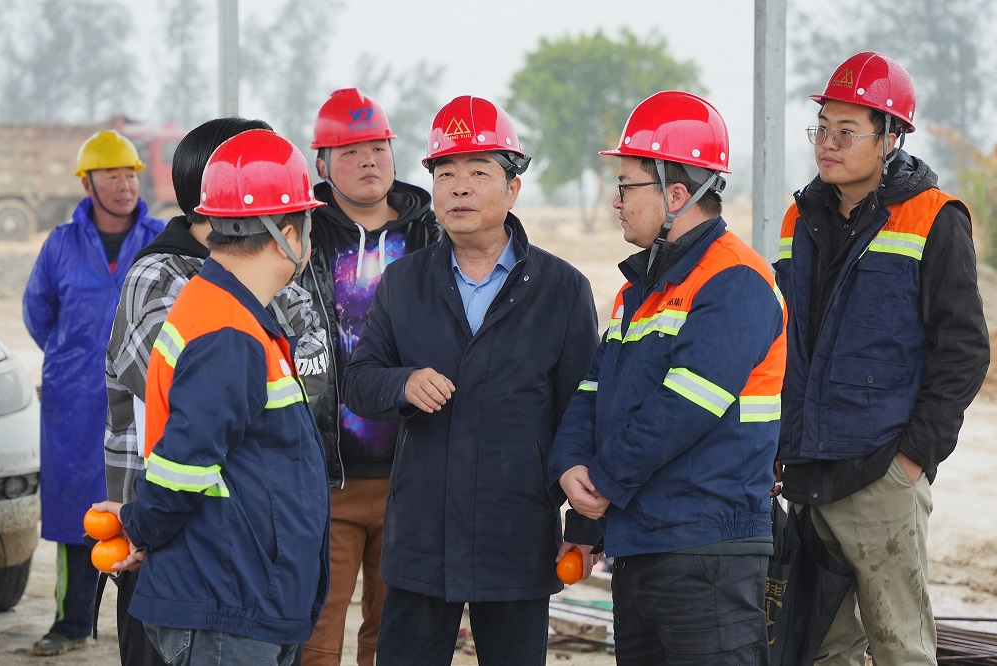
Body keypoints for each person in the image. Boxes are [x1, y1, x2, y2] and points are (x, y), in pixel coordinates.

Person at [341, 95, 599, 665]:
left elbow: (582, 413)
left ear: (513, 189)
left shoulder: (562, 290)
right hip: (422, 536)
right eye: (445, 174)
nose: (459, 188)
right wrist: (402, 384)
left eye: (479, 173)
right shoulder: (403, 283)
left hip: (516, 531)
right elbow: (358, 381)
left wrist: (584, 525)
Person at [548, 91, 786, 665]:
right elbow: (592, 391)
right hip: (643, 543)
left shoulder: (736, 281)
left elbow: (681, 409)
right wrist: (571, 469)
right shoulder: (638, 292)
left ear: (676, 195)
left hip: (708, 551)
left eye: (627, 186)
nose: (616, 201)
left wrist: (601, 483)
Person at [772, 52, 990, 665]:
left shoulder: (934, 219)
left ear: (891, 137)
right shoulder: (799, 217)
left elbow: (964, 350)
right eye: (822, 128)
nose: (828, 144)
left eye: (848, 131)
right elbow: (787, 341)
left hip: (881, 473)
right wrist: (778, 444)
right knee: (822, 650)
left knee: (900, 648)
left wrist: (914, 456)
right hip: (807, 472)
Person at [93, 129, 331, 666]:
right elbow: (184, 461)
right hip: (226, 600)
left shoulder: (227, 308)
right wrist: (141, 524)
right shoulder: (227, 329)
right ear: (286, 234)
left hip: (242, 591)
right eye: (308, 225)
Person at [299, 87, 440, 666]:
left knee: (396, 639)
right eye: (350, 151)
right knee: (315, 635)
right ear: (322, 164)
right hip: (325, 475)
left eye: (378, 148)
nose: (368, 162)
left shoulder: (432, 235)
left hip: (413, 472)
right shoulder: (298, 235)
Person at [22, 130, 165, 656]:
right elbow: (37, 311)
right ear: (88, 184)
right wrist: (67, 361)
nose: (125, 185)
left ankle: (149, 625)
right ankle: (71, 622)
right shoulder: (61, 243)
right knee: (74, 511)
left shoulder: (159, 237)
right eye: (112, 175)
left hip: (143, 396)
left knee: (144, 502)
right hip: (75, 402)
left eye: (130, 174)